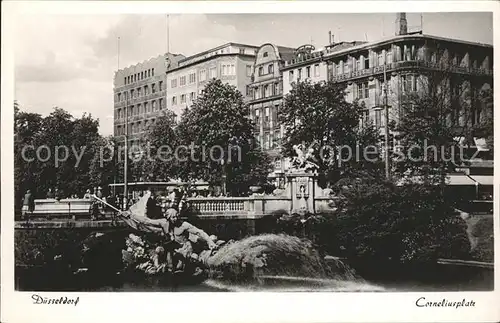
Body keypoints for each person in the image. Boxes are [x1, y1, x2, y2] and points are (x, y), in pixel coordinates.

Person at [164, 208, 217, 272]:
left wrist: (210, 241)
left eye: (177, 216)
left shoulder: (184, 225)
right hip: (175, 248)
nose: (176, 219)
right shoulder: (167, 225)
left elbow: (199, 232)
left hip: (186, 248)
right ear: (169, 218)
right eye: (173, 217)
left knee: (190, 260)